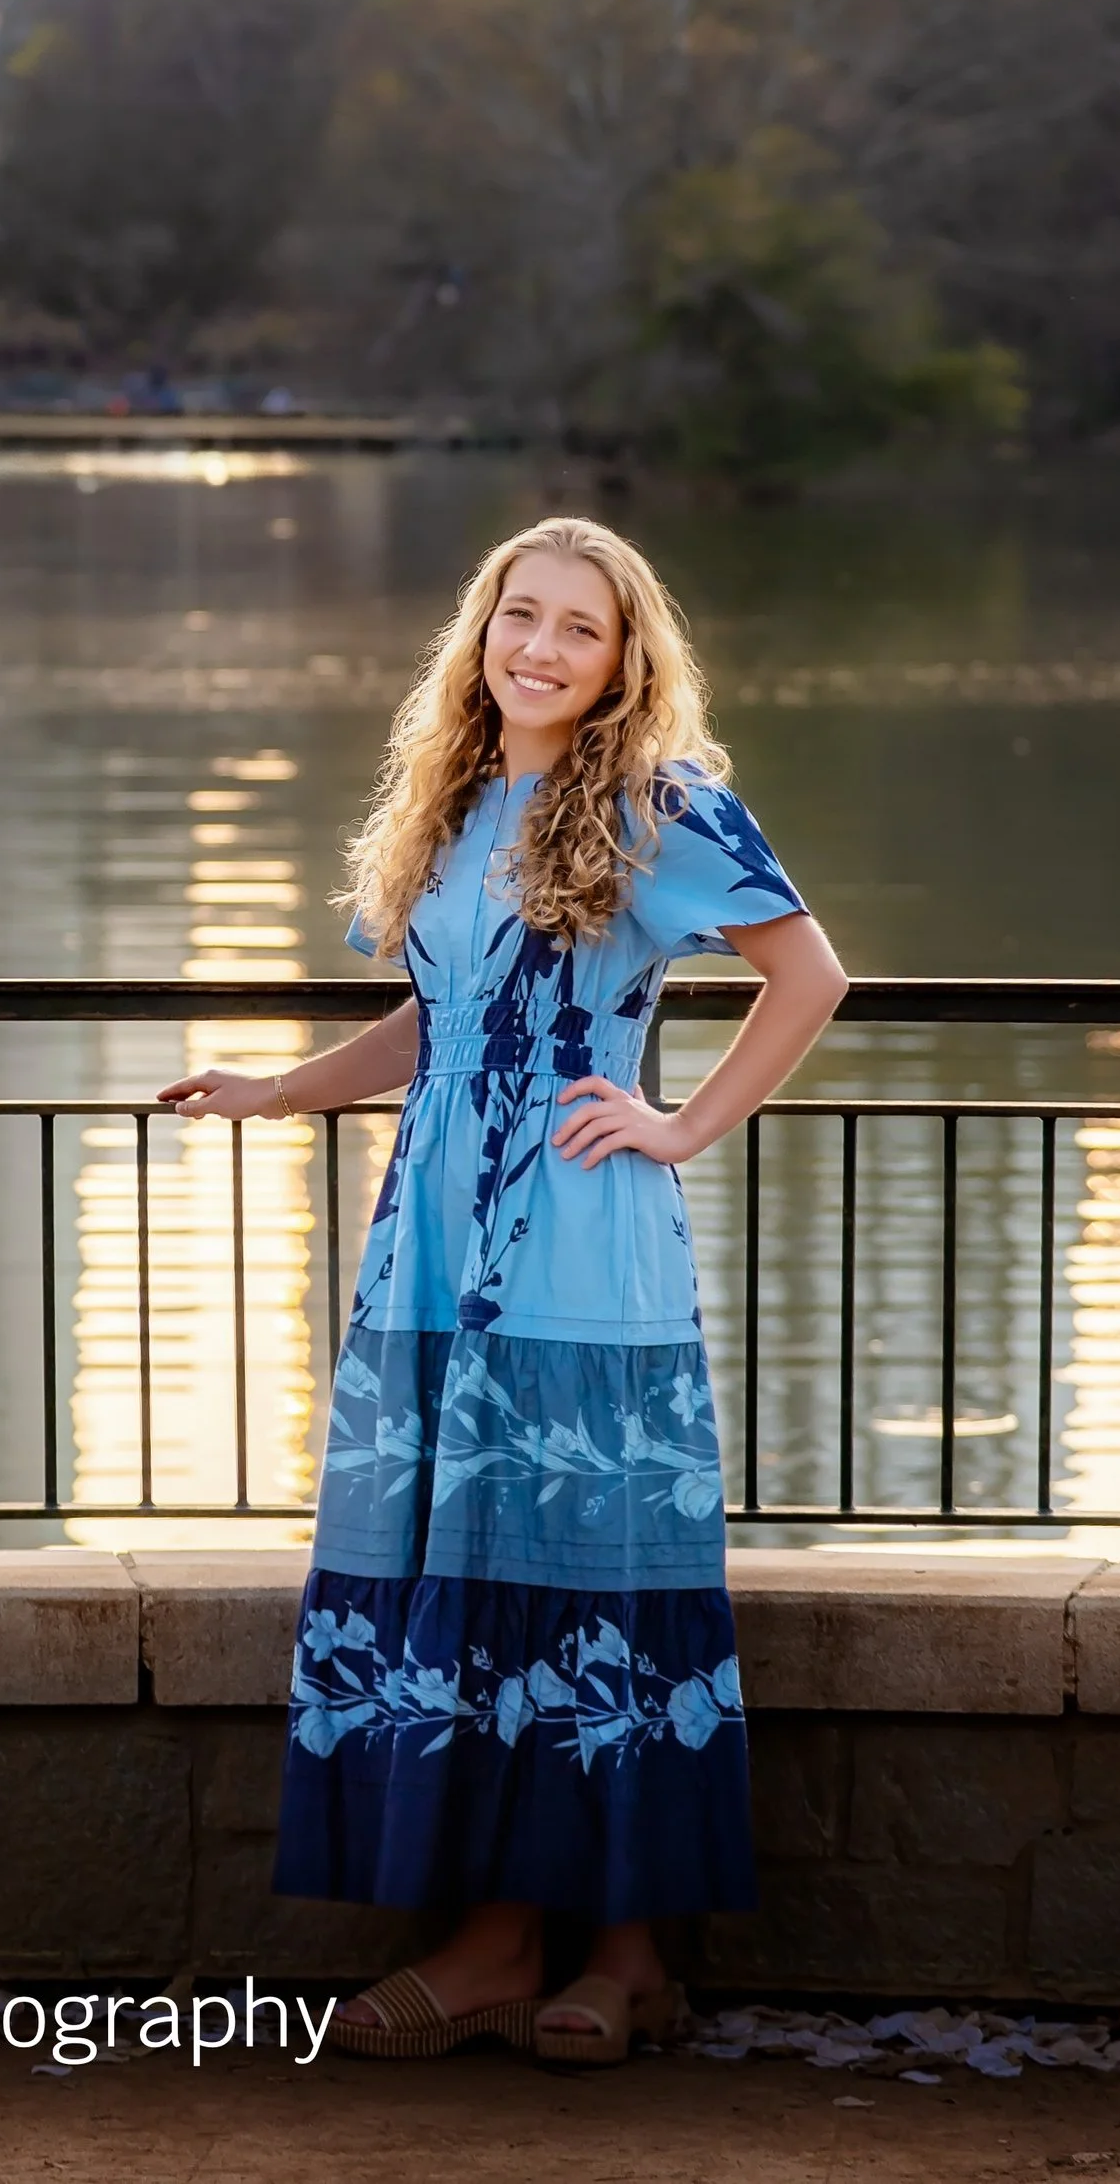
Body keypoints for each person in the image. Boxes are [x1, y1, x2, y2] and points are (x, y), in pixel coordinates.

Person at [158, 515, 848, 2066]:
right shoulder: (452, 800)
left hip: (585, 1237)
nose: (538, 647)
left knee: (595, 1570)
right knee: (455, 1569)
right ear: (481, 632)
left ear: (625, 659)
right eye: (516, 615)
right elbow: (437, 1026)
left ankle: (626, 1951)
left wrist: (680, 1122)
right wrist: (278, 1091)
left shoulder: (665, 805)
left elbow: (812, 976)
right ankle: (490, 1940)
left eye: (577, 628)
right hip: (432, 1244)